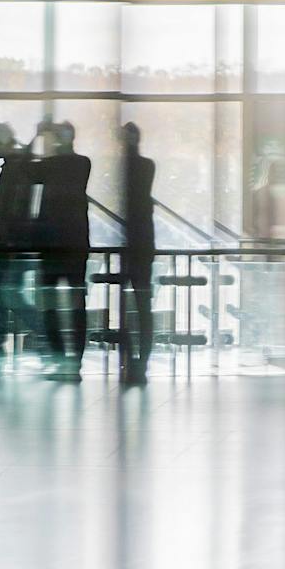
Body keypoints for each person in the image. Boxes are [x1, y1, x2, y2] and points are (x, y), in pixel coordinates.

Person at [33, 120, 93, 382]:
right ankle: (73, 363)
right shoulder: (82, 163)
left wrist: (36, 138)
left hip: (51, 245)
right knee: (76, 305)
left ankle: (62, 361)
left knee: (50, 306)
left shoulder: (55, 164)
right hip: (75, 243)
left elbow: (26, 171)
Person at [0, 123, 33, 368]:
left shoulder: (16, 168)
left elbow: (14, 209)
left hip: (10, 244)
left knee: (4, 296)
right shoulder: (16, 166)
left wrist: (5, 235)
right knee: (1, 297)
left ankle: (45, 333)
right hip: (9, 242)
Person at [119, 123, 157, 386]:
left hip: (133, 245)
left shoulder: (132, 167)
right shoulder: (145, 166)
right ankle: (140, 361)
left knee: (132, 307)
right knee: (143, 307)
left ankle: (134, 360)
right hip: (142, 244)